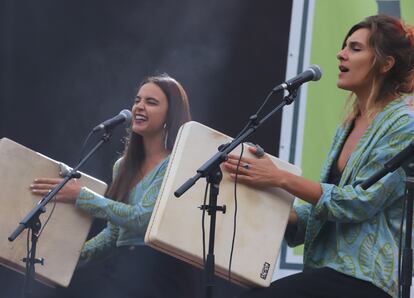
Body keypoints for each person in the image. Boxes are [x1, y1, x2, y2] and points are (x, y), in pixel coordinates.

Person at [224, 15, 414, 298]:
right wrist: (268, 207)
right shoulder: (348, 125)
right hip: (328, 274)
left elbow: (360, 202)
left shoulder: (404, 123)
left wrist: (279, 178)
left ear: (386, 64)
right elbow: (327, 207)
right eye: (344, 46)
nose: (341, 53)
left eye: (355, 48)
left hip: (365, 280)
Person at [30, 74, 200, 298]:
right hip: (125, 274)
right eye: (137, 100)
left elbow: (143, 220)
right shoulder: (123, 166)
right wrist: (58, 258)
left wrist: (82, 196)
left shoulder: (177, 163)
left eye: (151, 102)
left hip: (162, 274)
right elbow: (113, 235)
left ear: (171, 114)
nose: (139, 107)